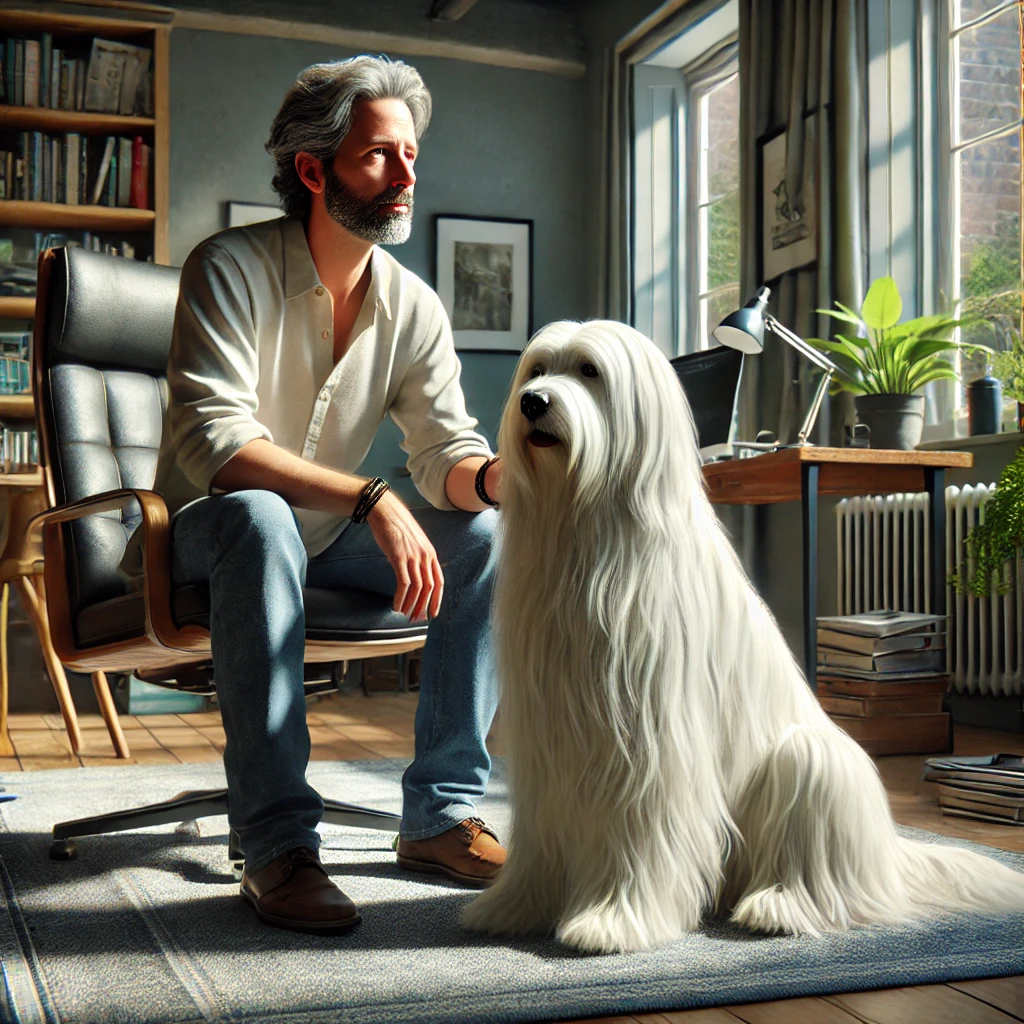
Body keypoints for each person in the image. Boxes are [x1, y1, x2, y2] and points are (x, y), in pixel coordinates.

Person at [127, 55, 506, 934]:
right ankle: (277, 846)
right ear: (313, 169)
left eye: (412, 155)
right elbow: (214, 442)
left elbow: (445, 448)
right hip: (200, 530)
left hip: (326, 538)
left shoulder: (413, 305)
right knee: (260, 518)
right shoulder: (226, 267)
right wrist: (374, 497)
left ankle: (441, 818)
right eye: (380, 156)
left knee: (486, 534)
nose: (408, 176)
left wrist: (495, 479)